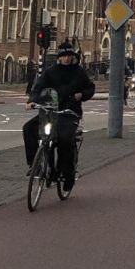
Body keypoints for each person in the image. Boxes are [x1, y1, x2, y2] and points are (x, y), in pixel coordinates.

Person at [23, 41, 95, 189]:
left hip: (69, 113)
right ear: (59, 57)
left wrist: (81, 95)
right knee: (28, 128)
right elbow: (38, 87)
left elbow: (90, 88)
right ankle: (34, 164)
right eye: (63, 56)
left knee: (64, 139)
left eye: (69, 56)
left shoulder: (79, 72)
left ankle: (68, 175)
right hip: (50, 111)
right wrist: (32, 101)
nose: (66, 59)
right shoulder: (50, 72)